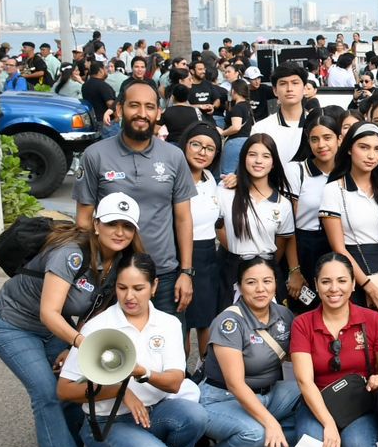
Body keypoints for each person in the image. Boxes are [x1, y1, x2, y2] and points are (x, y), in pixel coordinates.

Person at [0, 194, 142, 447]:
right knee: (47, 394)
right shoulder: (70, 253)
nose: (120, 231)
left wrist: (75, 345)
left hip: (55, 330)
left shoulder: (121, 263)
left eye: (127, 226)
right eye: (112, 223)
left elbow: (96, 312)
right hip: (11, 324)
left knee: (71, 391)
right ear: (96, 225)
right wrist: (79, 346)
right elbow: (50, 313)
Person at [58, 254, 208, 447]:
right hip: (108, 421)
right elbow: (64, 390)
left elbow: (174, 383)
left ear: (154, 287)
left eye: (138, 288)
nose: (129, 296)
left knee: (196, 415)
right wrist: (119, 390)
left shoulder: (168, 323)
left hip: (154, 413)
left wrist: (142, 373)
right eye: (122, 287)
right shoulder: (97, 327)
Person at [75, 77, 198, 316]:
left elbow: (183, 218)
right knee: (110, 348)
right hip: (112, 276)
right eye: (134, 105)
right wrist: (94, 270)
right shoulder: (94, 156)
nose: (142, 113)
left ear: (158, 113)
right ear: (120, 109)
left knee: (169, 347)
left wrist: (186, 272)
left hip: (163, 274)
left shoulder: (174, 156)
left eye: (149, 107)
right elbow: (83, 221)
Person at [198, 257, 301, 447]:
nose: (260, 289)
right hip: (223, 398)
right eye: (251, 282)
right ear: (239, 286)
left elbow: (298, 358)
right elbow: (235, 384)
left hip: (268, 393)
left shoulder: (284, 314)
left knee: (306, 392)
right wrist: (270, 423)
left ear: (276, 283)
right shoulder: (230, 321)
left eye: (267, 281)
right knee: (255, 432)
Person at [288, 253, 378, 447]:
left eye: (342, 281)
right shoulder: (302, 323)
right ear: (316, 285)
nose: (334, 288)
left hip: (359, 405)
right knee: (312, 440)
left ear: (353, 284)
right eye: (326, 282)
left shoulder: (372, 320)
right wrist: (329, 423)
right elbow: (305, 381)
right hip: (318, 403)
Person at [320, 122, 378, 318]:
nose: (371, 156)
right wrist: (372, 290)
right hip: (353, 274)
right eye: (364, 147)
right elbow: (339, 248)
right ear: (350, 149)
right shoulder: (334, 190)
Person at [215, 134, 295, 302]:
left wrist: (260, 261)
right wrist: (237, 252)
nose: (258, 161)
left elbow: (281, 242)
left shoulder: (283, 204)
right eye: (252, 154)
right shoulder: (226, 191)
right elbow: (218, 227)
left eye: (266, 156)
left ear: (273, 163)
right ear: (244, 158)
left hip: (267, 269)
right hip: (233, 271)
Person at [174, 122, 224, 365]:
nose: (202, 152)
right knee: (180, 321)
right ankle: (180, 372)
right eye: (196, 145)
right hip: (180, 253)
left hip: (207, 255)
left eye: (209, 148)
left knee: (206, 319)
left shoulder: (211, 178)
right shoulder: (174, 178)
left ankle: (205, 371)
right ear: (185, 145)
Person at [288, 109, 345, 306]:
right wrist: (294, 270)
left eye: (327, 137)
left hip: (342, 246)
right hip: (306, 247)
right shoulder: (297, 170)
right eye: (314, 139)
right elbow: (289, 228)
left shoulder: (348, 171)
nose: (321, 145)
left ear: (339, 139)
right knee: (307, 309)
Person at [250, 63, 309, 169]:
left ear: (304, 88)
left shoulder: (317, 124)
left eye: (295, 83)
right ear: (275, 91)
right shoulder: (261, 128)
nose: (289, 88)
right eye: (283, 83)